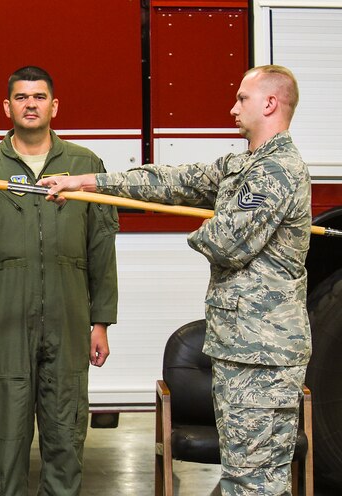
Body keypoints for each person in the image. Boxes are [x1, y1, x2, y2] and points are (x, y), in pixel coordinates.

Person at [40, 65, 309, 495]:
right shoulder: (245, 166)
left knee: (251, 479)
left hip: (260, 353)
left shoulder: (274, 170)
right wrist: (84, 181)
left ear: (271, 104)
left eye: (242, 98)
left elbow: (226, 242)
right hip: (247, 347)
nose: (232, 107)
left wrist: (206, 221)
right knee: (258, 478)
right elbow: (172, 182)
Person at [0, 66, 119, 495]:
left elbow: (101, 250)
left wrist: (101, 322)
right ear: (7, 107)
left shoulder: (85, 166)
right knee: (5, 444)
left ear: (53, 105)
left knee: (65, 441)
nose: (30, 104)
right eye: (21, 97)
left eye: (39, 96)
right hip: (3, 324)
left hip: (68, 321)